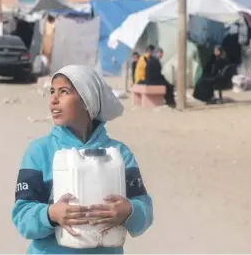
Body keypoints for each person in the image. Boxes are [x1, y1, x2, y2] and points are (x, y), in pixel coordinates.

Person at [12, 65, 153, 254]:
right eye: (52, 91)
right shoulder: (39, 151)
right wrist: (51, 214)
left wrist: (128, 211)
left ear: (87, 101)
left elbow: (145, 210)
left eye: (64, 92)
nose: (53, 100)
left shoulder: (118, 154)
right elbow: (22, 215)